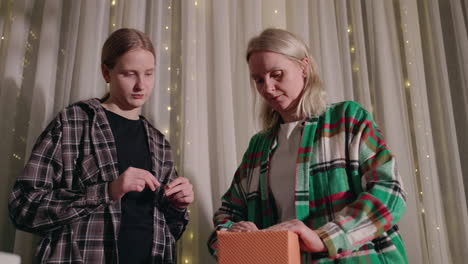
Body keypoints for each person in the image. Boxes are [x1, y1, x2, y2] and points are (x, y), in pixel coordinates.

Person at [207, 28, 407, 263]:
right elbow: (228, 211)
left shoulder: (346, 119)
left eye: (277, 74)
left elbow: (389, 192)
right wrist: (235, 232)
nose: (267, 88)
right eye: (259, 80)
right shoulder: (258, 147)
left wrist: (324, 238)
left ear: (304, 67)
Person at [9, 28, 194, 264]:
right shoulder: (74, 122)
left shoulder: (159, 143)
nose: (141, 85)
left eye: (148, 74)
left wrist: (177, 206)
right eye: (129, 74)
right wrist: (106, 191)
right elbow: (23, 206)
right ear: (106, 72)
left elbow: (171, 231)